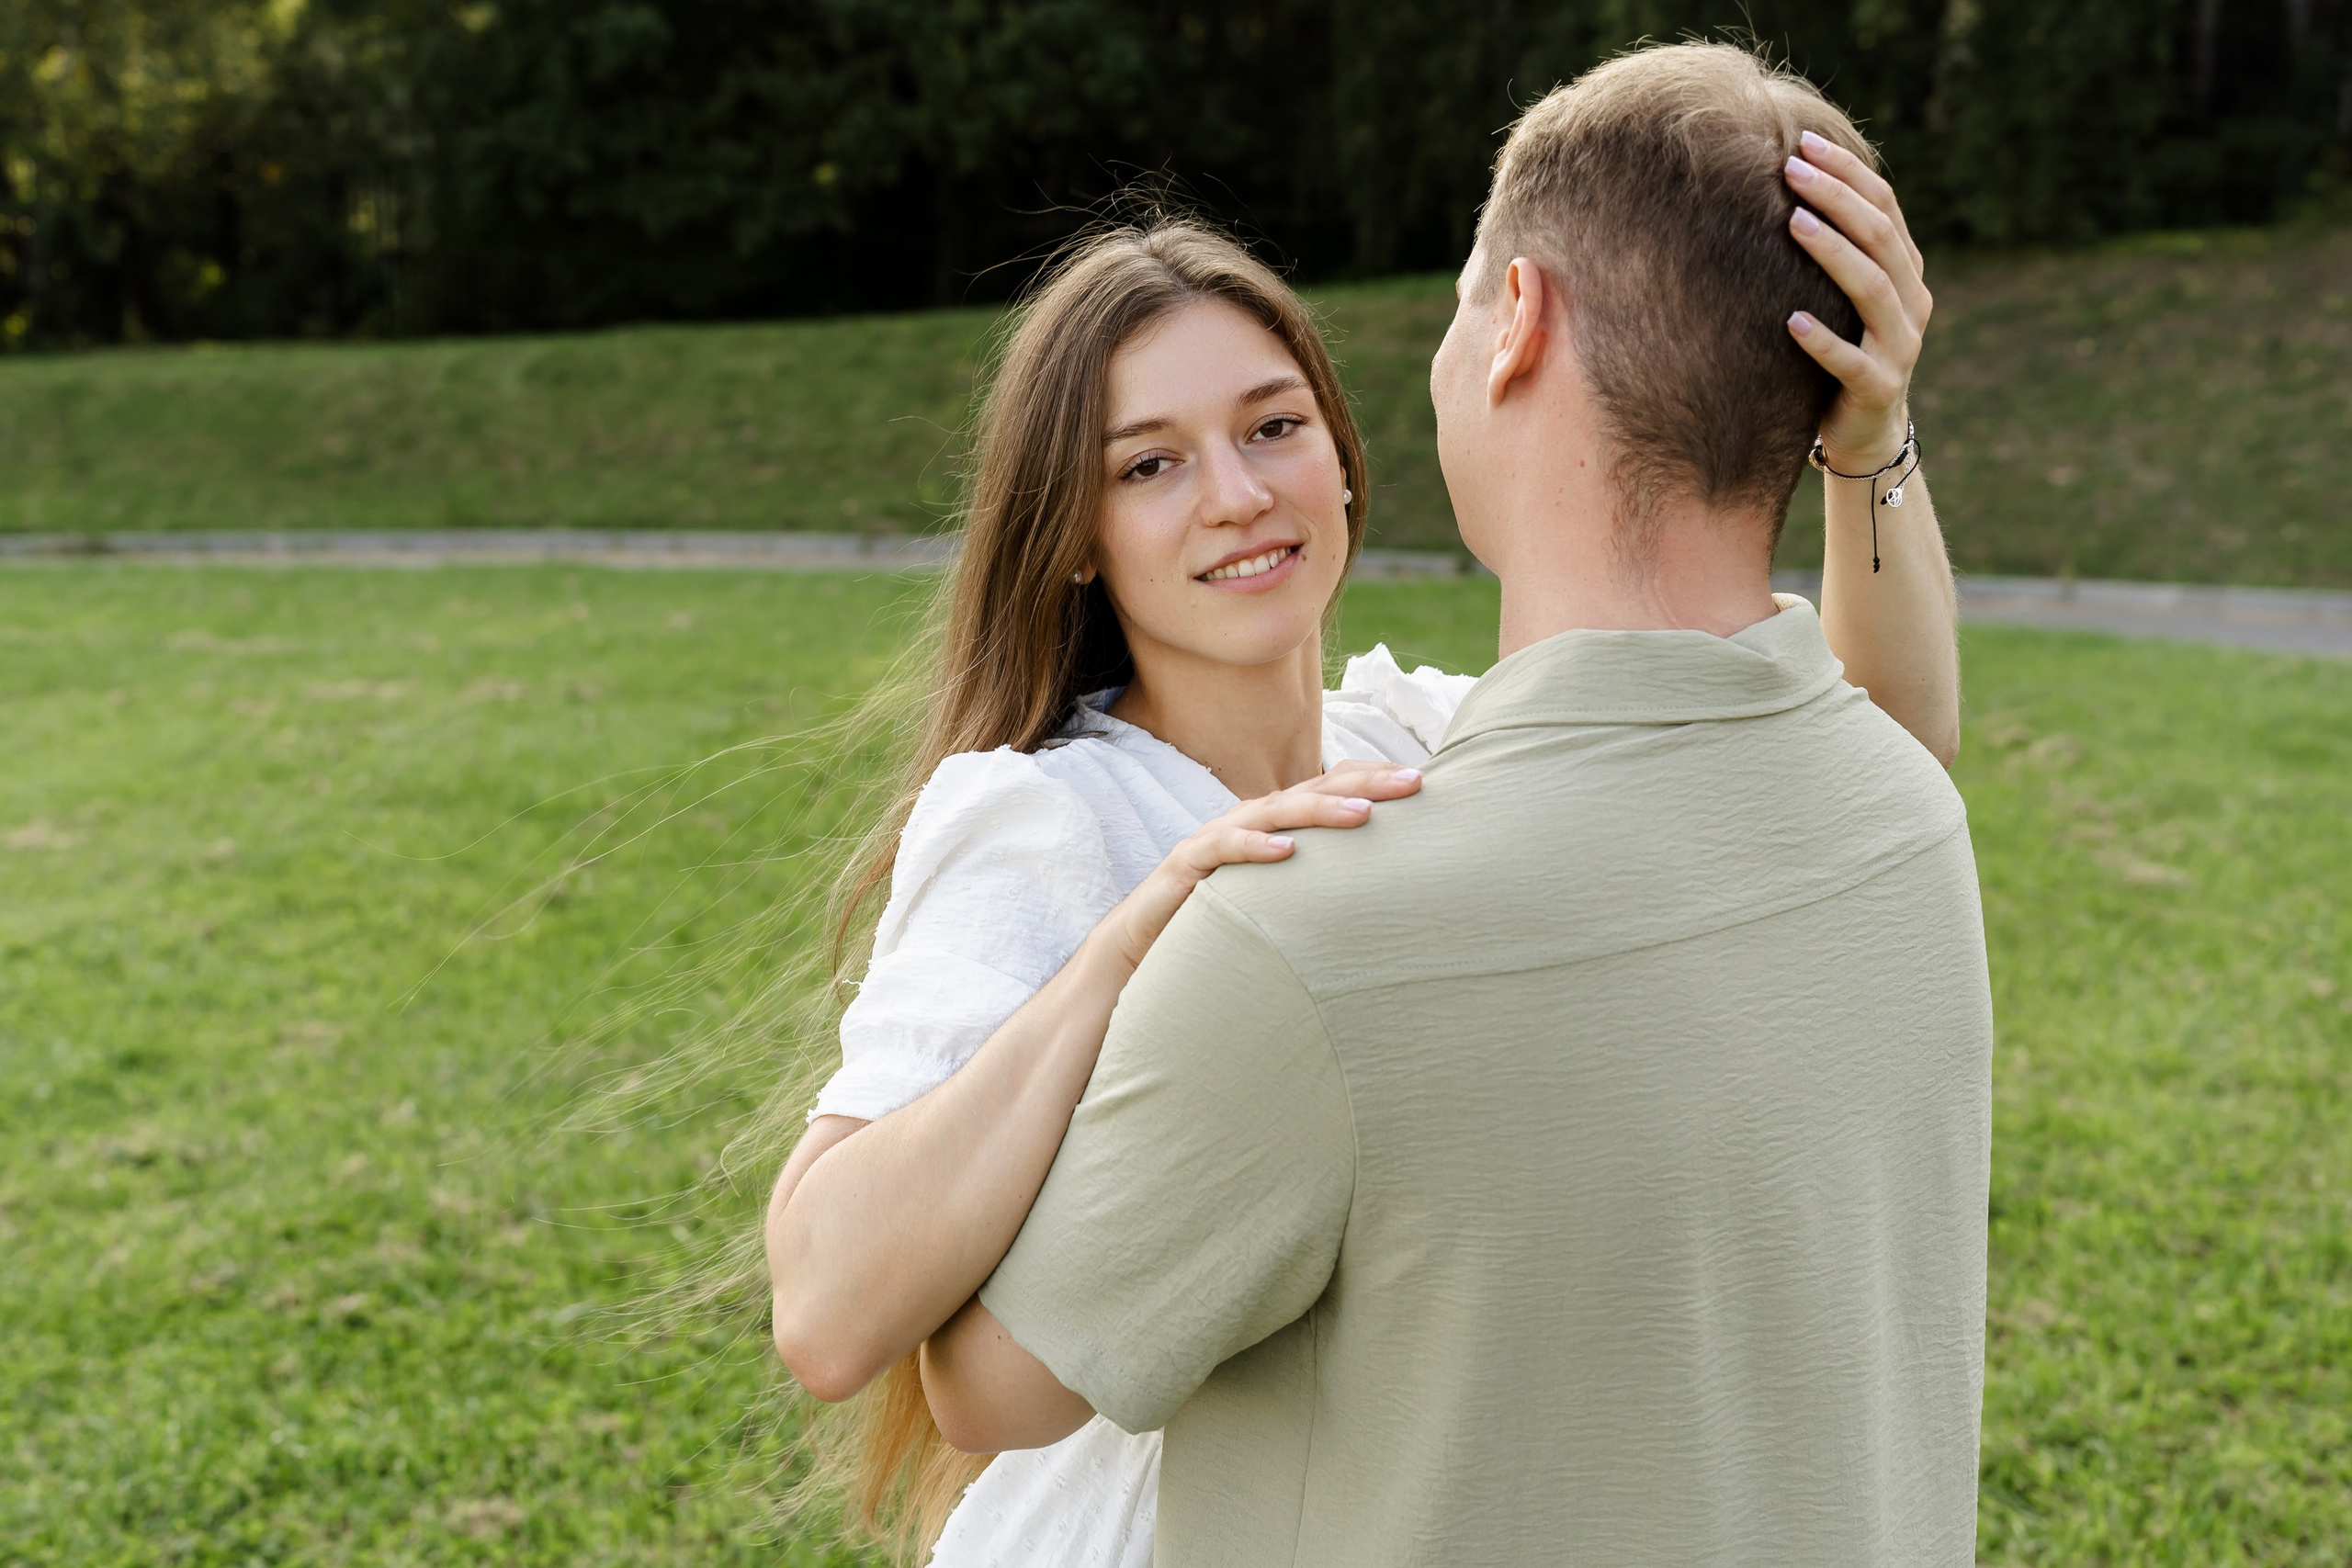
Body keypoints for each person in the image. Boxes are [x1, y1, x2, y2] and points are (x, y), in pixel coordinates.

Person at [764, 48, 1962, 1567]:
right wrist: (1127, 951)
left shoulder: (1422, 730)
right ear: (1072, 536)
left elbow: (1874, 753)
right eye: (1150, 464)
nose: (1237, 495)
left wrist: (1867, 442)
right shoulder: (1042, 822)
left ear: (1343, 453)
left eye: (1273, 427)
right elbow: (824, 1308)